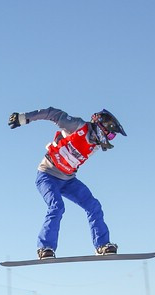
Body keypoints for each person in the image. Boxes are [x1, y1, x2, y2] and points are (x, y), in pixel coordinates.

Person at [7, 107, 126, 258]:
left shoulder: (95, 145)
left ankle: (102, 245)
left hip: (68, 180)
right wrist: (24, 118)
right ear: (101, 127)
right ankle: (45, 248)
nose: (109, 139)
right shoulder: (76, 126)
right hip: (47, 175)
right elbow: (52, 114)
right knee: (57, 206)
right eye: (110, 134)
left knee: (93, 205)